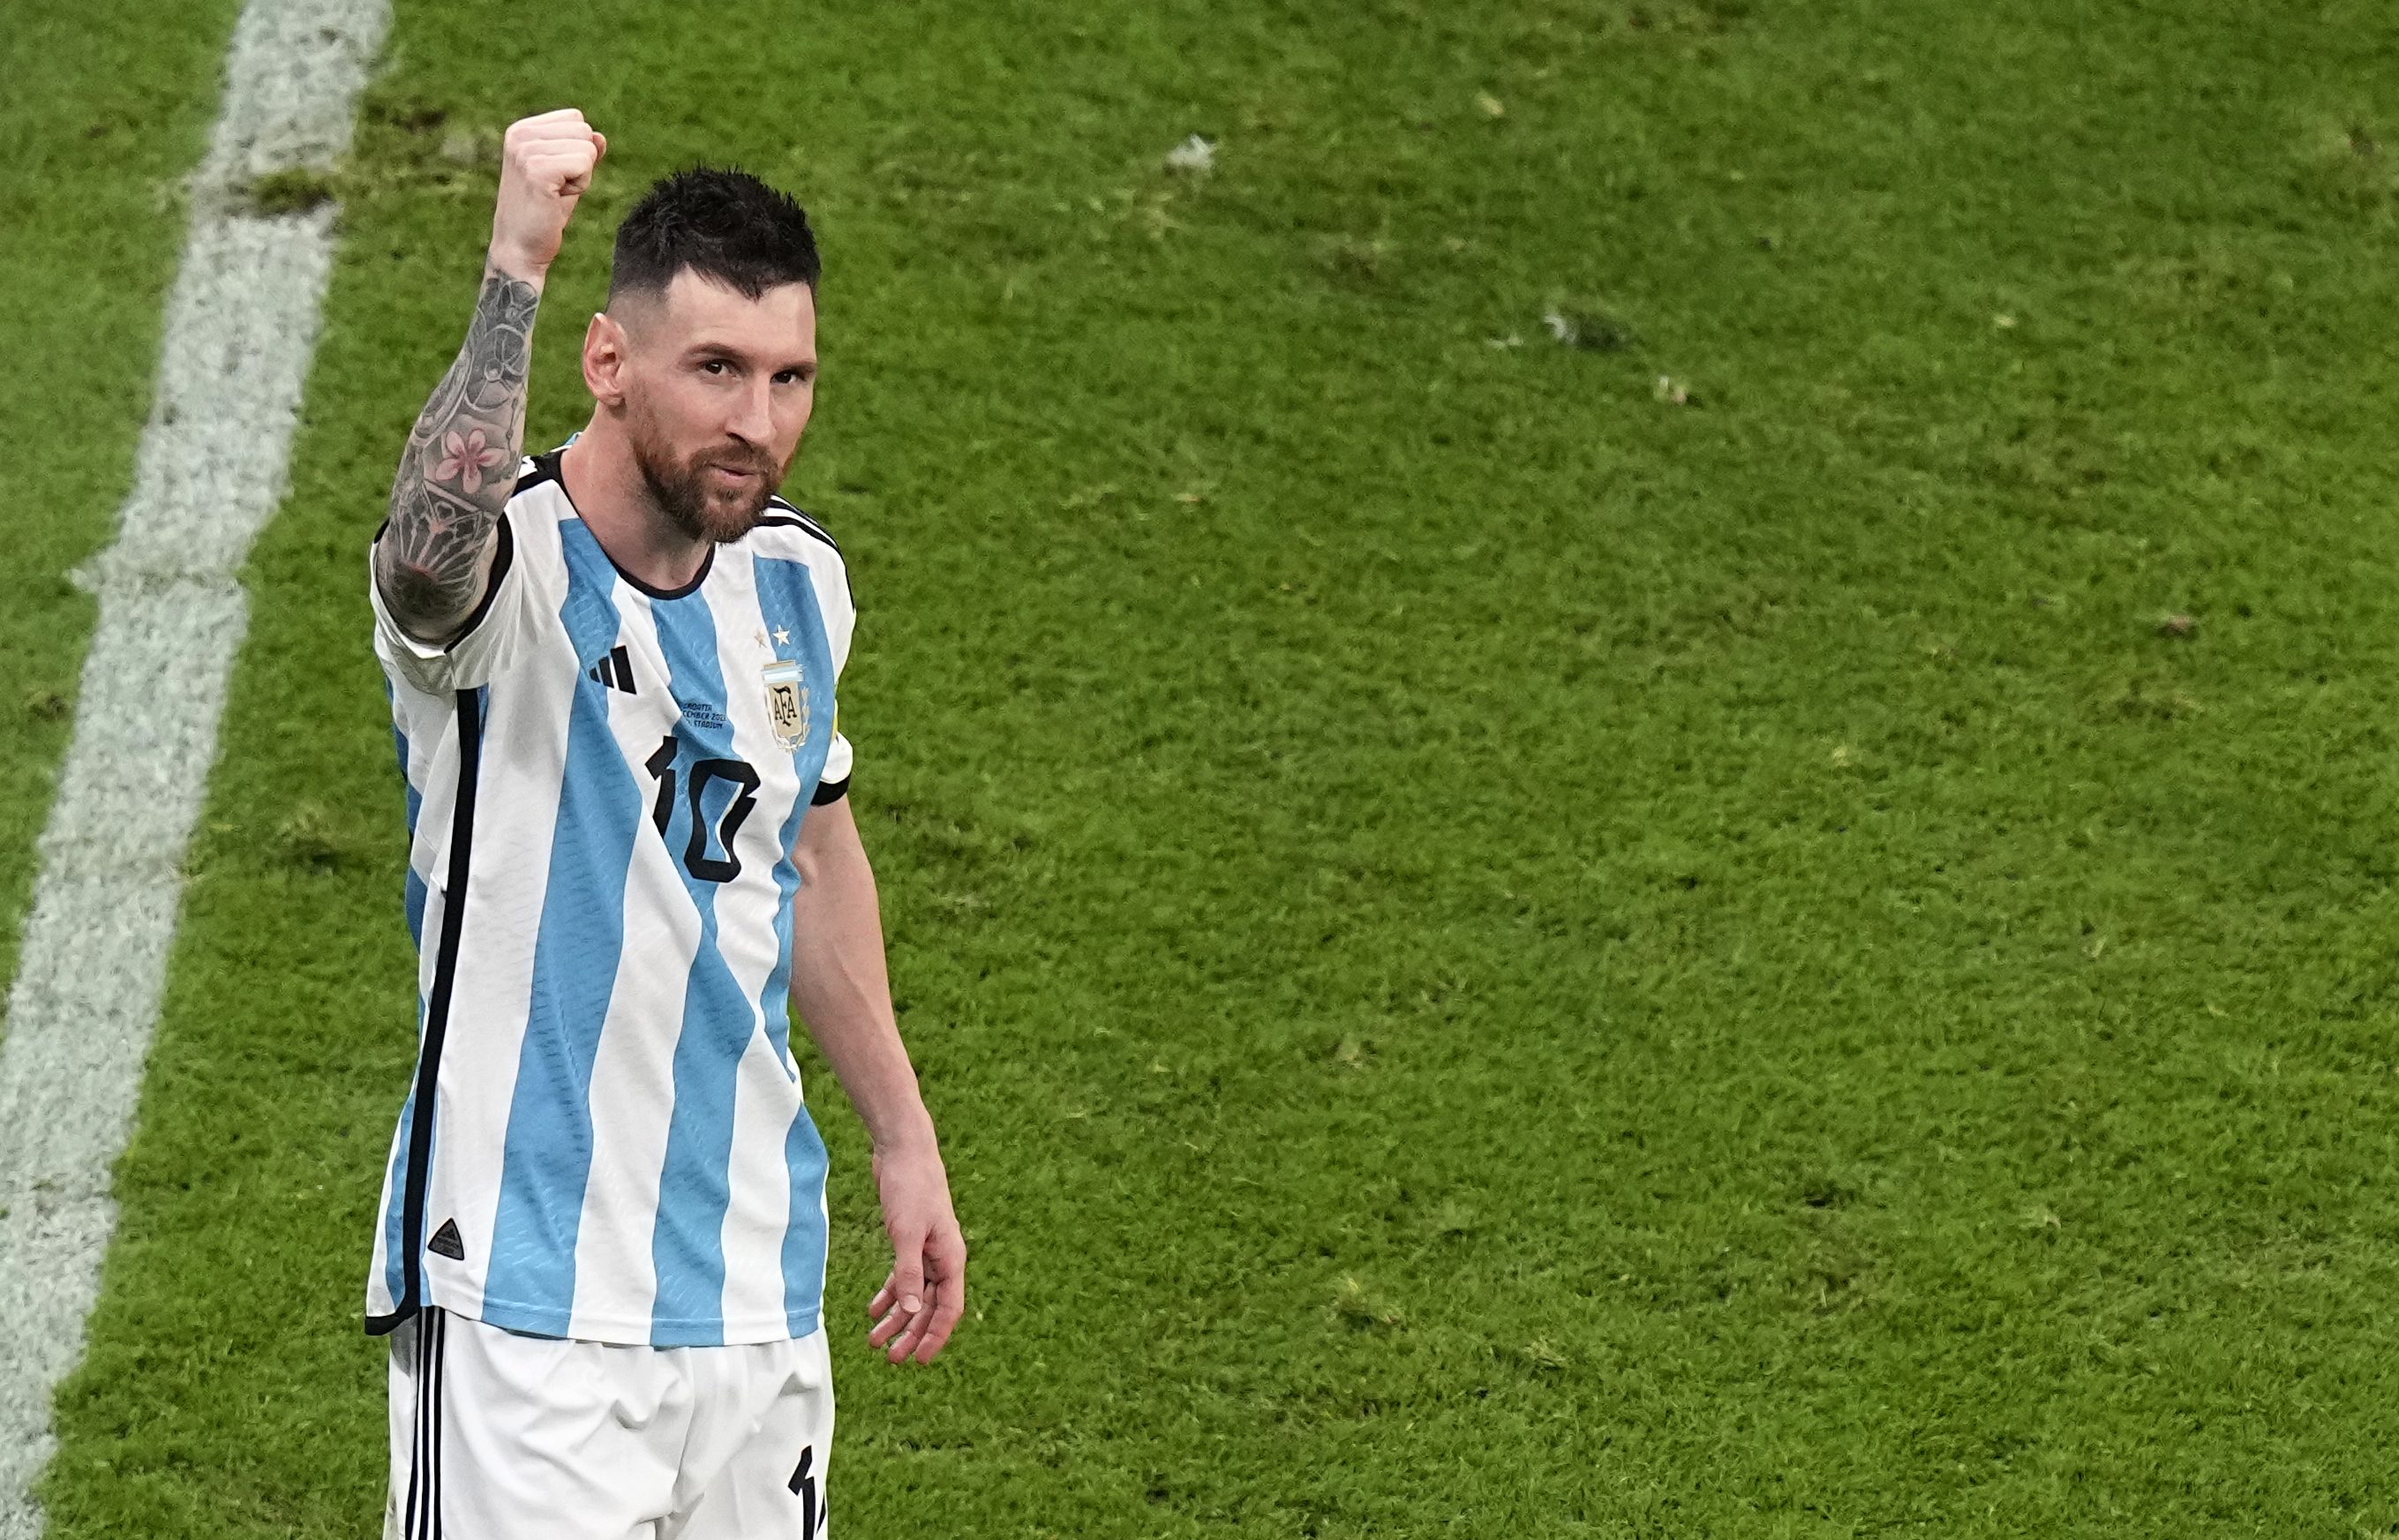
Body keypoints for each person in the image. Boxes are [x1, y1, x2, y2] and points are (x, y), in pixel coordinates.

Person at [363, 107, 965, 1539]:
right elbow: (424, 563)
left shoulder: (798, 586)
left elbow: (808, 850)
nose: (755, 421)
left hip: (754, 1295)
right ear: (608, 361)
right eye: (714, 370)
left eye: (787, 376)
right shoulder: (505, 576)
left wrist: (901, 1130)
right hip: (526, 1306)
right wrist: (514, 260)